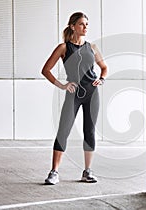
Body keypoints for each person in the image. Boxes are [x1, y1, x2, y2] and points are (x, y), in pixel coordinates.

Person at [41, 12, 108, 184]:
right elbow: (46, 70)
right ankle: (54, 172)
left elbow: (104, 67)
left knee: (89, 131)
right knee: (63, 130)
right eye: (81, 24)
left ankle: (87, 171)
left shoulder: (92, 47)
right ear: (73, 26)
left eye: (87, 24)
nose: (85, 27)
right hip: (73, 94)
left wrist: (101, 79)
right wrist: (62, 85)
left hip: (92, 94)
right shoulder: (63, 48)